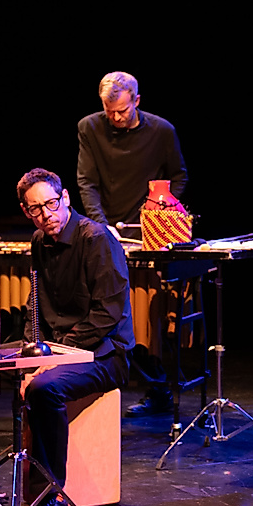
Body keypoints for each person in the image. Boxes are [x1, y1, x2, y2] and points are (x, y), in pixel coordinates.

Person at [0, 168, 134, 506]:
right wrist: (29, 352)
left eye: (51, 204)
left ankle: (49, 495)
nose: (46, 215)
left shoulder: (97, 239)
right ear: (26, 211)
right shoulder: (39, 241)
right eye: (36, 209)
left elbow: (107, 314)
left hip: (104, 353)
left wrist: (51, 360)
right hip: (57, 348)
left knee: (44, 388)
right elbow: (35, 306)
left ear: (66, 197)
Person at [76, 71, 188, 416]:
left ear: (137, 101)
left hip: (149, 234)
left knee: (148, 318)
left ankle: (161, 386)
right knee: (108, 313)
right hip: (107, 231)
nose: (115, 118)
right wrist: (101, 226)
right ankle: (141, 385)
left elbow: (179, 175)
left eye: (122, 111)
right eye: (109, 111)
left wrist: (159, 212)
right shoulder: (89, 128)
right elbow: (86, 181)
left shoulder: (162, 130)